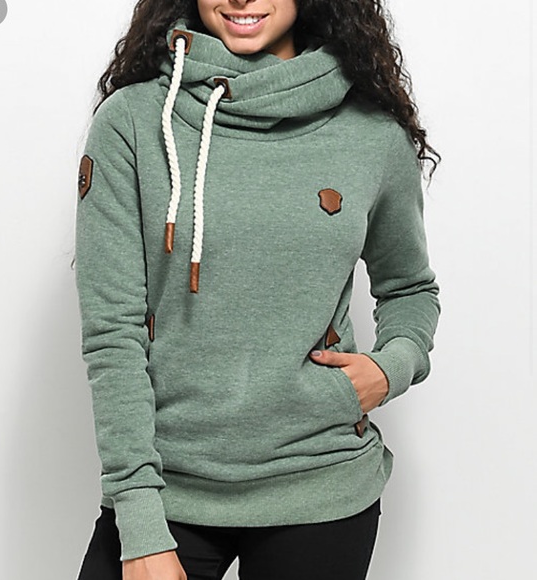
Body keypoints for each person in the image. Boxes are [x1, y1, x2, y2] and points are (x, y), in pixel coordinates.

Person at [73, 1, 441, 579]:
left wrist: (392, 365)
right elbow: (112, 334)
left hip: (321, 484)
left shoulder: (370, 133)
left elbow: (409, 286)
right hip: (167, 489)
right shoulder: (134, 121)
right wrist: (138, 520)